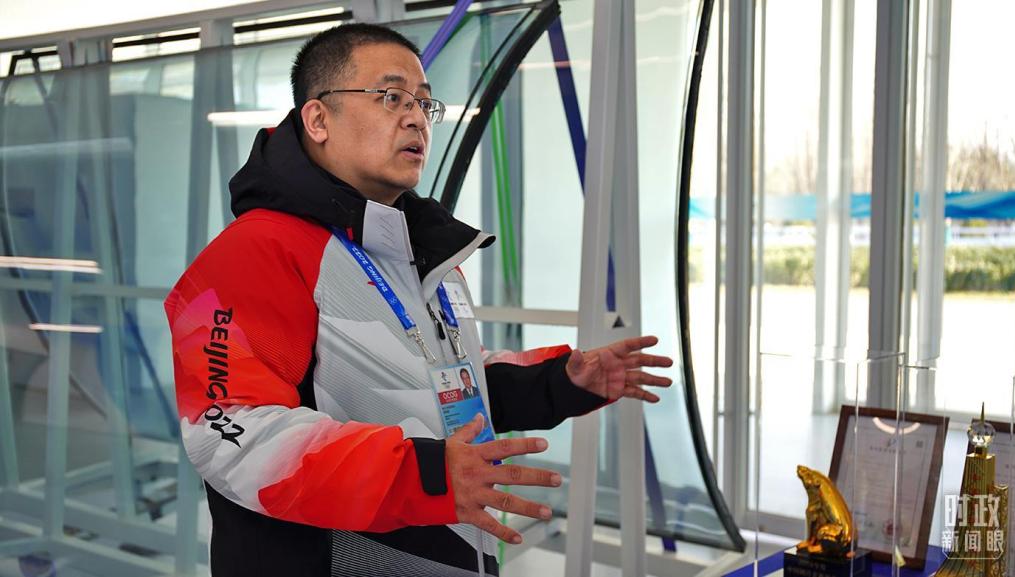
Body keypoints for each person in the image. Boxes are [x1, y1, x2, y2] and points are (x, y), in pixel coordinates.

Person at [164, 22, 673, 577]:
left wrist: (560, 381)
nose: (415, 119)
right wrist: (424, 476)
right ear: (318, 120)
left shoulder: (417, 244)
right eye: (391, 97)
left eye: (424, 103)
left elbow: (443, 381)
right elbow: (228, 431)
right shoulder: (249, 254)